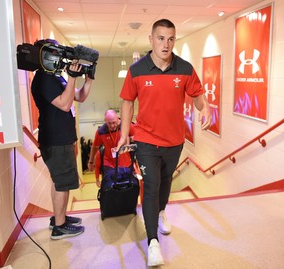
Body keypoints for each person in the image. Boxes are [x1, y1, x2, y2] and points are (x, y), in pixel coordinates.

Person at [115, 19, 211, 266]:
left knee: (165, 182)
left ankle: (160, 212)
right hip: (146, 140)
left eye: (170, 39)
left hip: (175, 140)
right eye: (160, 38)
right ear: (151, 40)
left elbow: (198, 95)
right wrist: (125, 132)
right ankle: (152, 243)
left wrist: (205, 108)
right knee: (151, 185)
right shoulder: (137, 70)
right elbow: (127, 101)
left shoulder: (185, 68)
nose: (166, 44)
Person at [31, 39, 94, 240]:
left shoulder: (55, 78)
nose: (61, 59)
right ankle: (60, 227)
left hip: (61, 139)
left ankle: (60, 218)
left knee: (59, 181)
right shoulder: (44, 79)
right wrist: (73, 77)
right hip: (55, 140)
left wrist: (88, 78)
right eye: (57, 55)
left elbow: (79, 97)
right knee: (64, 183)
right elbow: (65, 105)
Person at [87, 109, 134, 175]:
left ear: (118, 119)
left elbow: (137, 137)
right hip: (109, 164)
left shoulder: (127, 125)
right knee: (109, 184)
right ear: (105, 120)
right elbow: (95, 147)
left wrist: (131, 139)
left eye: (114, 122)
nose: (112, 126)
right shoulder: (100, 132)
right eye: (109, 123)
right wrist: (91, 162)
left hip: (126, 163)